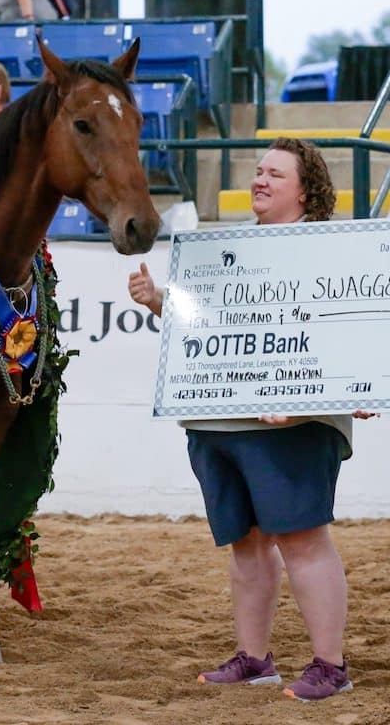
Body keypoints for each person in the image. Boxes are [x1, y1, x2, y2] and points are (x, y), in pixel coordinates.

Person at [127, 138, 356, 703]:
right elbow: (210, 324)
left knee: (303, 539)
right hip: (217, 418)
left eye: (275, 174)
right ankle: (255, 658)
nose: (260, 179)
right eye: (258, 171)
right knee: (246, 544)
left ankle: (331, 665)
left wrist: (335, 390)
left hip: (293, 421)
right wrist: (159, 301)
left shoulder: (329, 248)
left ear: (305, 189)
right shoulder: (222, 246)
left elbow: (352, 322)